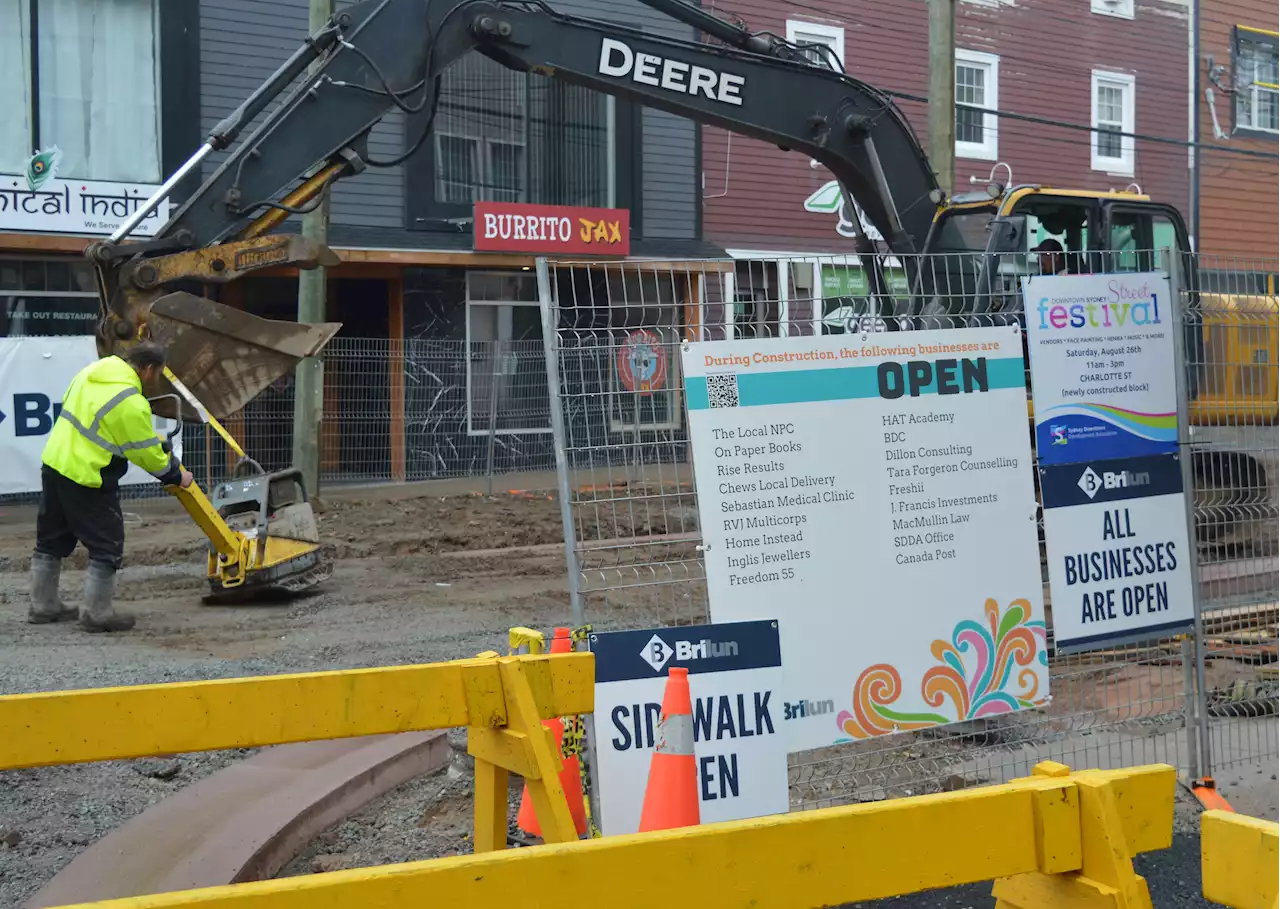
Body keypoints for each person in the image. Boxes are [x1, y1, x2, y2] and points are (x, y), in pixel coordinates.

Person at [28, 342, 193, 632]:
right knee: (107, 545)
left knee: (51, 539)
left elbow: (98, 424)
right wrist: (174, 474)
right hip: (87, 476)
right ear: (149, 368)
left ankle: (42, 605)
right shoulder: (130, 400)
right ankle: (96, 613)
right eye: (157, 374)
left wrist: (150, 442)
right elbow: (145, 454)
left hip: (56, 463)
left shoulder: (93, 372)